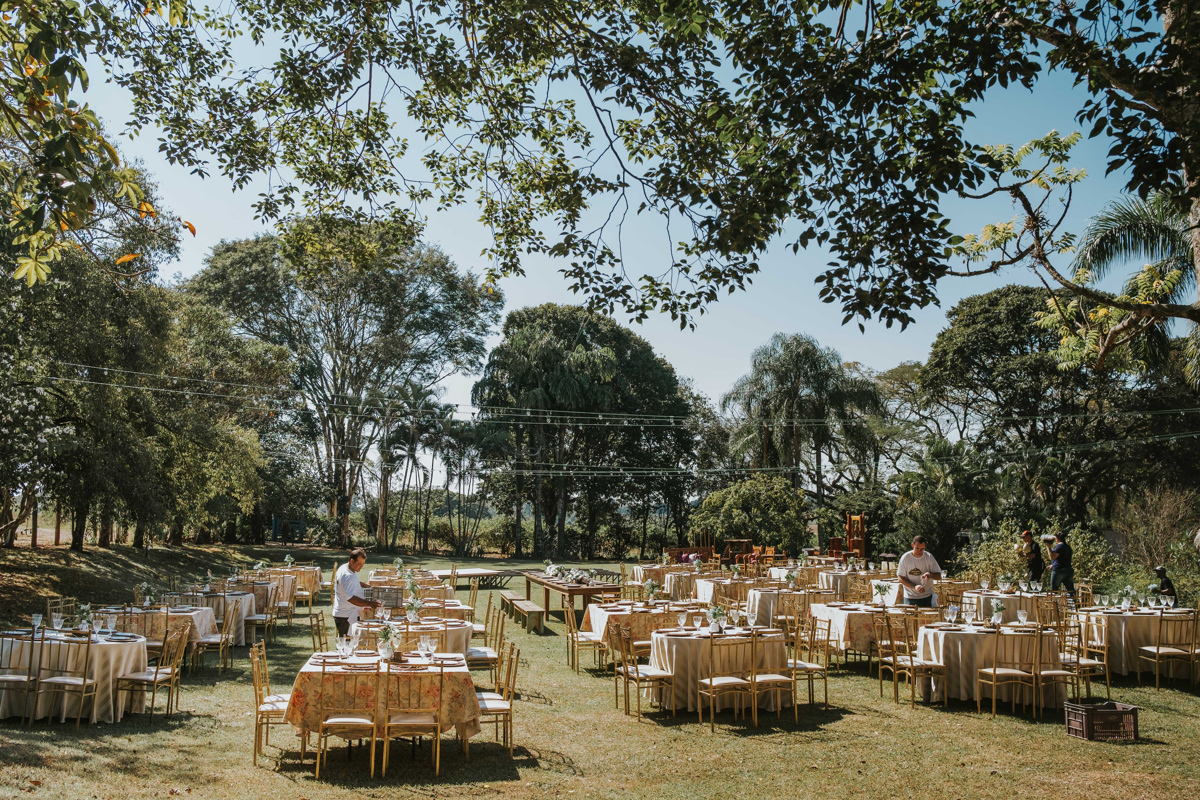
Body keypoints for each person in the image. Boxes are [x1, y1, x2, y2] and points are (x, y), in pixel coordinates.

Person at [332, 548, 382, 637]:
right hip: (346, 617)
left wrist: (366, 586)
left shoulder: (346, 567)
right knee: (347, 645)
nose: (361, 567)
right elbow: (350, 598)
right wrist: (369, 603)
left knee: (351, 643)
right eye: (359, 564)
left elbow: (353, 583)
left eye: (363, 564)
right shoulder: (347, 576)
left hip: (348, 613)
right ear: (352, 561)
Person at [897, 536, 942, 607]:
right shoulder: (905, 558)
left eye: (922, 549)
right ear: (912, 545)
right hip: (910, 597)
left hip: (927, 596)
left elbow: (939, 576)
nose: (919, 551)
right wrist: (914, 586)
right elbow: (900, 578)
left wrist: (930, 575)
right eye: (917, 548)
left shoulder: (929, 557)